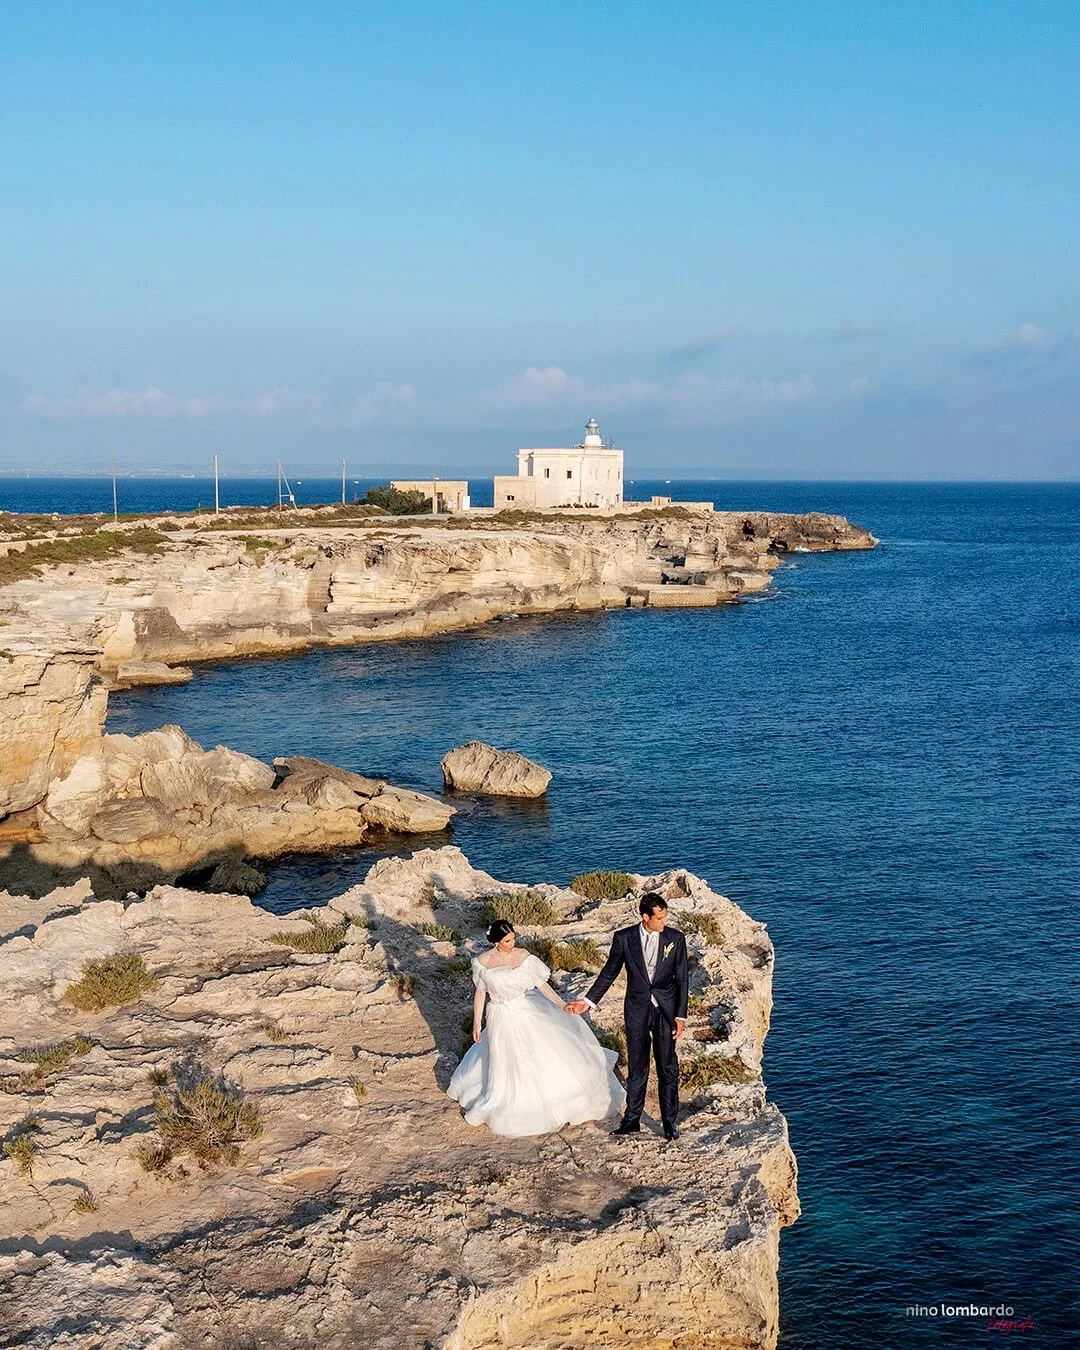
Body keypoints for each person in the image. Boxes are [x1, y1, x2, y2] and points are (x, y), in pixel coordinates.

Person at [447, 919, 626, 1137]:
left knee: (536, 1054)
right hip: (499, 1016)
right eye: (507, 940)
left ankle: (546, 1099)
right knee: (504, 1058)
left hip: (525, 1010)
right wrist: (477, 1023)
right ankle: (507, 1098)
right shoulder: (482, 962)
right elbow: (481, 992)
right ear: (496, 942)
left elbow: (542, 986)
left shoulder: (524, 957)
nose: (512, 943)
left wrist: (562, 1005)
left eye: (513, 938)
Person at [567, 893, 688, 1140]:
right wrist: (588, 1002)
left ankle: (669, 1124)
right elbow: (609, 972)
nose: (665, 922)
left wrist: (680, 1016)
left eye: (665, 916)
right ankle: (632, 1121)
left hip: (666, 1011)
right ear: (646, 917)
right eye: (660, 918)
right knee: (637, 1068)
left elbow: (683, 979)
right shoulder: (624, 938)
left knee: (667, 1068)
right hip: (636, 1010)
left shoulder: (676, 938)